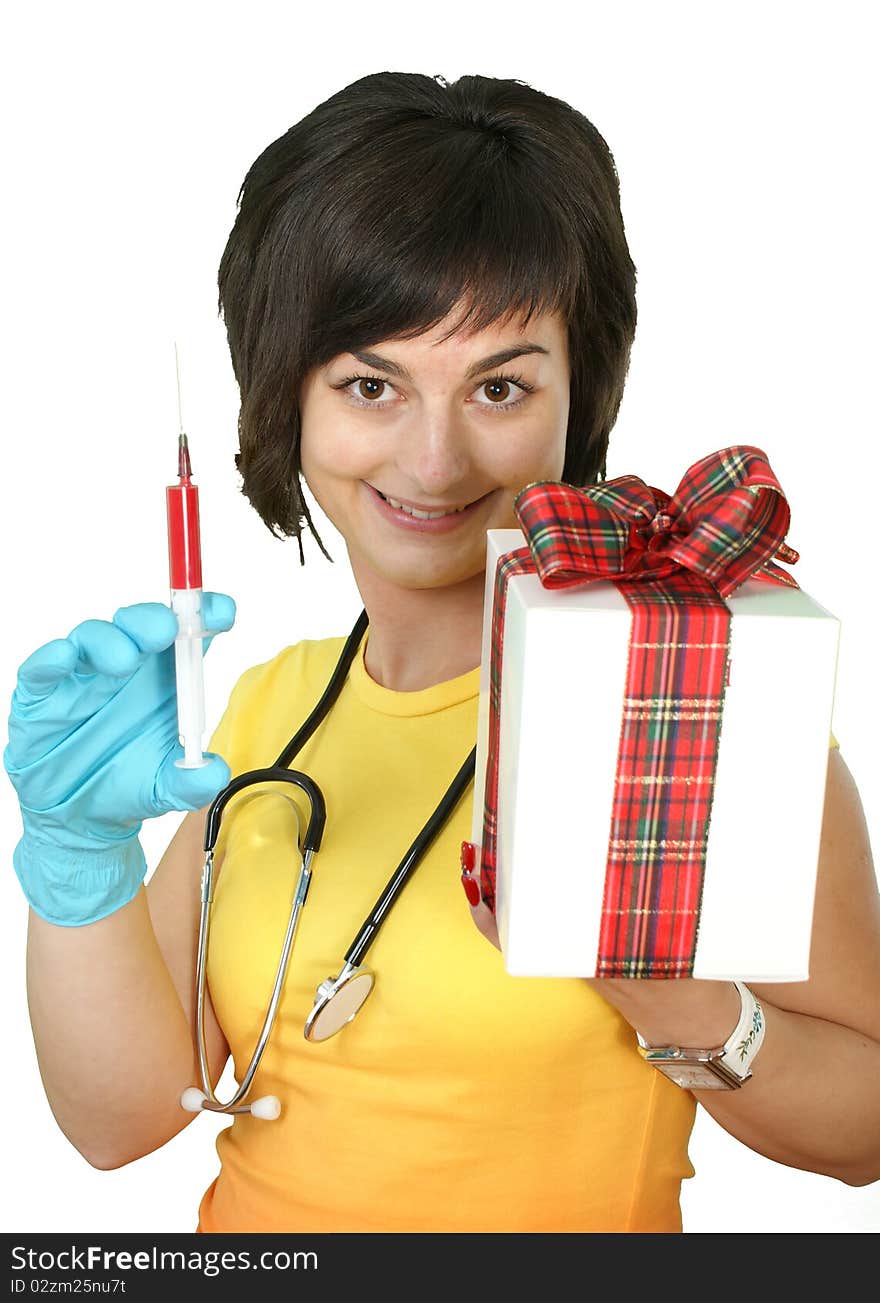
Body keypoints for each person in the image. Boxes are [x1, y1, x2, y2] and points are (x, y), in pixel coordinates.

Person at [4, 71, 880, 1235]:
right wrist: (77, 863)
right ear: (291, 403)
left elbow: (865, 1131)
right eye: (370, 383)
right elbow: (122, 1124)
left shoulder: (692, 697)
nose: (432, 458)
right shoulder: (272, 705)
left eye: (500, 385)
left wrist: (645, 973)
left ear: (581, 395)